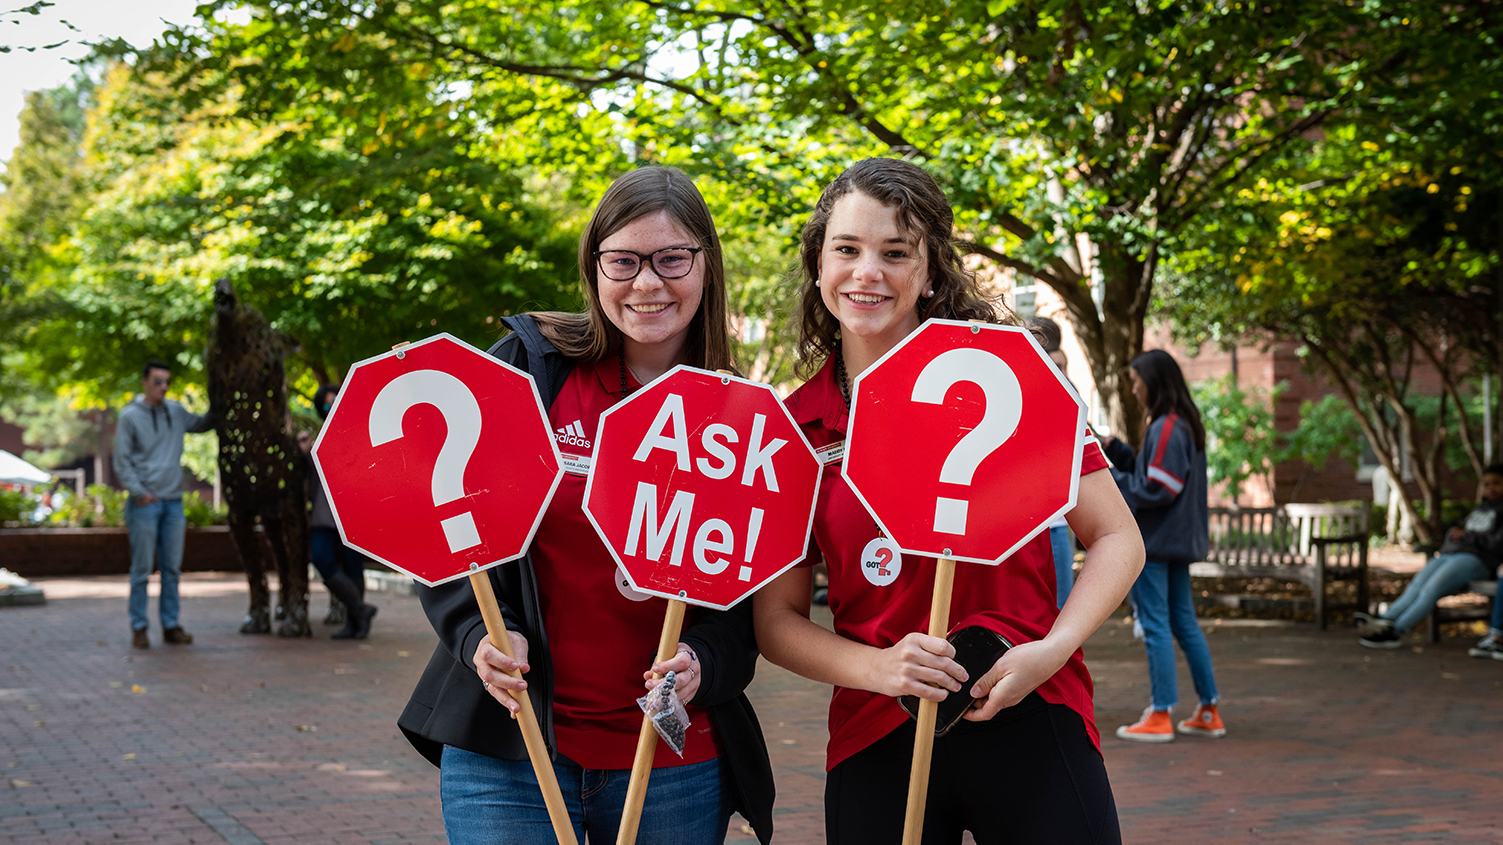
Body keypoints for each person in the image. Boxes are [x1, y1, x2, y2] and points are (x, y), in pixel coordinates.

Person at [754, 158, 1143, 844]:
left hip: (1029, 702)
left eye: (895, 252)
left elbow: (1117, 537)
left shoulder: (1011, 379)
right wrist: (876, 666)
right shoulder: (793, 429)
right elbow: (776, 620)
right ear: (818, 264)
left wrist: (1051, 649)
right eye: (846, 249)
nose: (867, 271)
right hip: (877, 729)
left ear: (930, 270)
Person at [396, 167, 773, 845]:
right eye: (623, 260)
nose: (647, 283)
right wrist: (481, 635)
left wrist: (702, 662)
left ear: (705, 266)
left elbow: (748, 608)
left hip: (671, 764)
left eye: (671, 259)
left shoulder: (740, 414)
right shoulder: (530, 369)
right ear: (594, 267)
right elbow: (445, 522)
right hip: (511, 749)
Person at [1104, 350, 1223, 742]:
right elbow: (1152, 472)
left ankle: (1160, 714)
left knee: (1155, 625)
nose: (1134, 389)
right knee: (1183, 622)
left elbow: (1158, 486)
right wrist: (1117, 451)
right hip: (1176, 541)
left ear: (1154, 382)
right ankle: (1208, 708)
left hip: (1155, 543)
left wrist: (1111, 484)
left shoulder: (1167, 426)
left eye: (1137, 381)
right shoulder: (1179, 424)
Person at [113, 359, 215, 649]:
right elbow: (121, 461)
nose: (163, 387)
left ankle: (171, 625)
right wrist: (139, 493)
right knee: (142, 569)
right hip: (145, 504)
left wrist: (220, 395)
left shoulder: (176, 411)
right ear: (144, 381)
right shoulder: (130, 416)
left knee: (172, 569)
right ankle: (139, 626)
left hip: (173, 504)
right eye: (157, 381)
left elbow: (204, 423)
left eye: (167, 381)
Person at [1360, 464, 1503, 649]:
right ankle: (1385, 620)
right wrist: (1455, 534)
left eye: (1497, 483)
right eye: (1486, 484)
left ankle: (1395, 631)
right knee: (1417, 585)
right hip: (1452, 554)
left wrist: (1467, 536)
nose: (1490, 488)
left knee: (1431, 589)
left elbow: (1496, 544)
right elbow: (1459, 531)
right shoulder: (1480, 509)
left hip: (1477, 560)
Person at [299, 385, 379, 640]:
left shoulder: (359, 431)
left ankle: (355, 623)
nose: (330, 407)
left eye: (335, 402)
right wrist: (304, 453)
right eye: (325, 405)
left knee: (353, 567)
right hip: (325, 514)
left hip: (352, 513)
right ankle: (360, 609)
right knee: (321, 558)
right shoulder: (318, 437)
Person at [1024, 315, 1078, 609]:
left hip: (1054, 521)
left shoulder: (1060, 391)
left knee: (1057, 608)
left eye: (1063, 367)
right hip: (1033, 520)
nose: (1061, 372)